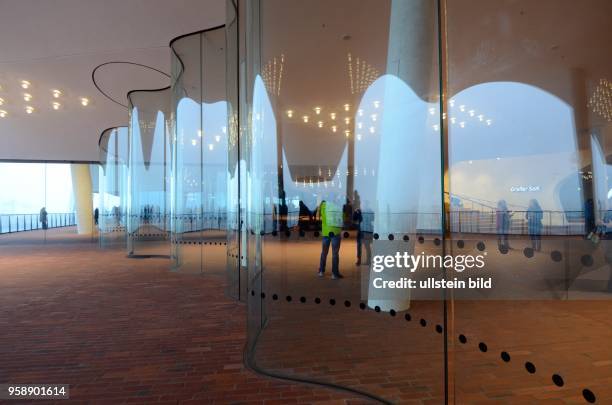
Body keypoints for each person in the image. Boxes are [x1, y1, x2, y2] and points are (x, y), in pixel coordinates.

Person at [318, 193, 344, 279]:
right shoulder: (338, 206)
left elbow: (320, 215)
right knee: (335, 253)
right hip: (335, 232)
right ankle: (334, 274)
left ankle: (321, 271)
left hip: (326, 232)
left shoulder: (323, 206)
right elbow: (342, 217)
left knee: (324, 252)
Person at [354, 198, 373, 265]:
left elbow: (355, 219)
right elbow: (354, 218)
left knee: (364, 246)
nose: (363, 205)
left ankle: (365, 260)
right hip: (364, 230)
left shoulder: (365, 211)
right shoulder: (363, 211)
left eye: (364, 204)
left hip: (365, 230)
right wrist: (356, 212)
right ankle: (363, 260)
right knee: (363, 246)